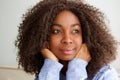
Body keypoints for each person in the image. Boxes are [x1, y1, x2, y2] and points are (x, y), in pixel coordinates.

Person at [15, 0, 119, 80]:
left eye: (75, 31)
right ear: (44, 38)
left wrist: (77, 68)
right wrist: (51, 65)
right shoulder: (48, 71)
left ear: (87, 36)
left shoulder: (105, 75)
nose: (67, 39)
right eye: (56, 31)